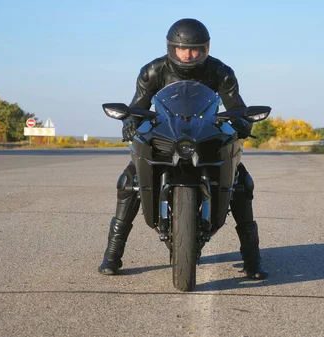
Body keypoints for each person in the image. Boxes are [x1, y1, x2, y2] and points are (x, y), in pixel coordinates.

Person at [98, 18, 268, 280]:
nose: (188, 55)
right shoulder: (152, 71)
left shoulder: (221, 72)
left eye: (196, 50)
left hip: (206, 135)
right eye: (182, 49)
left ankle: (253, 260)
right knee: (129, 181)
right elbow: (138, 105)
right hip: (166, 134)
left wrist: (242, 121)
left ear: (206, 49)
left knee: (241, 181)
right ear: (171, 48)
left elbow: (235, 107)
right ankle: (111, 255)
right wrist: (130, 121)